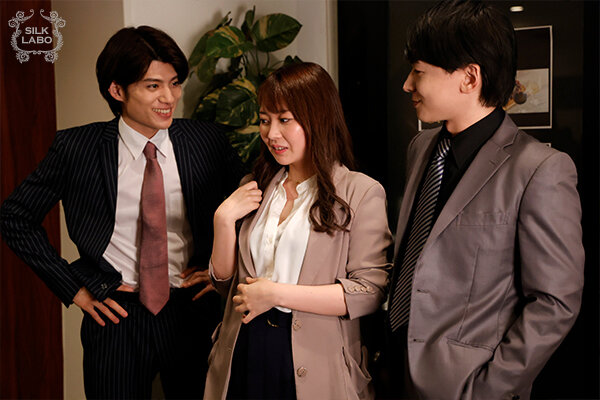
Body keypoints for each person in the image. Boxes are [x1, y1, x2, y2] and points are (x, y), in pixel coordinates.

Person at [0, 26, 243, 398]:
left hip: (192, 310)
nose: (169, 98)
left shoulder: (206, 141)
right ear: (117, 90)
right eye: (153, 86)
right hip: (115, 314)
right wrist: (73, 289)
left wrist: (226, 272)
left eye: (175, 83)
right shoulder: (76, 148)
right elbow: (15, 216)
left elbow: (254, 204)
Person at [383, 1, 585, 399]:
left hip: (463, 385)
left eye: (419, 71)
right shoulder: (421, 147)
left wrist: (488, 389)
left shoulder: (540, 169)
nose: (407, 84)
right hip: (390, 372)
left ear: (469, 77)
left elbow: (555, 302)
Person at [203, 62, 393, 400]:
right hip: (243, 348)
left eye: (285, 120)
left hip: (314, 358)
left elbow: (369, 292)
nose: (271, 133)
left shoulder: (360, 192)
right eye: (265, 120)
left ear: (318, 118)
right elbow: (223, 285)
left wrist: (276, 294)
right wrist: (223, 219)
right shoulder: (254, 186)